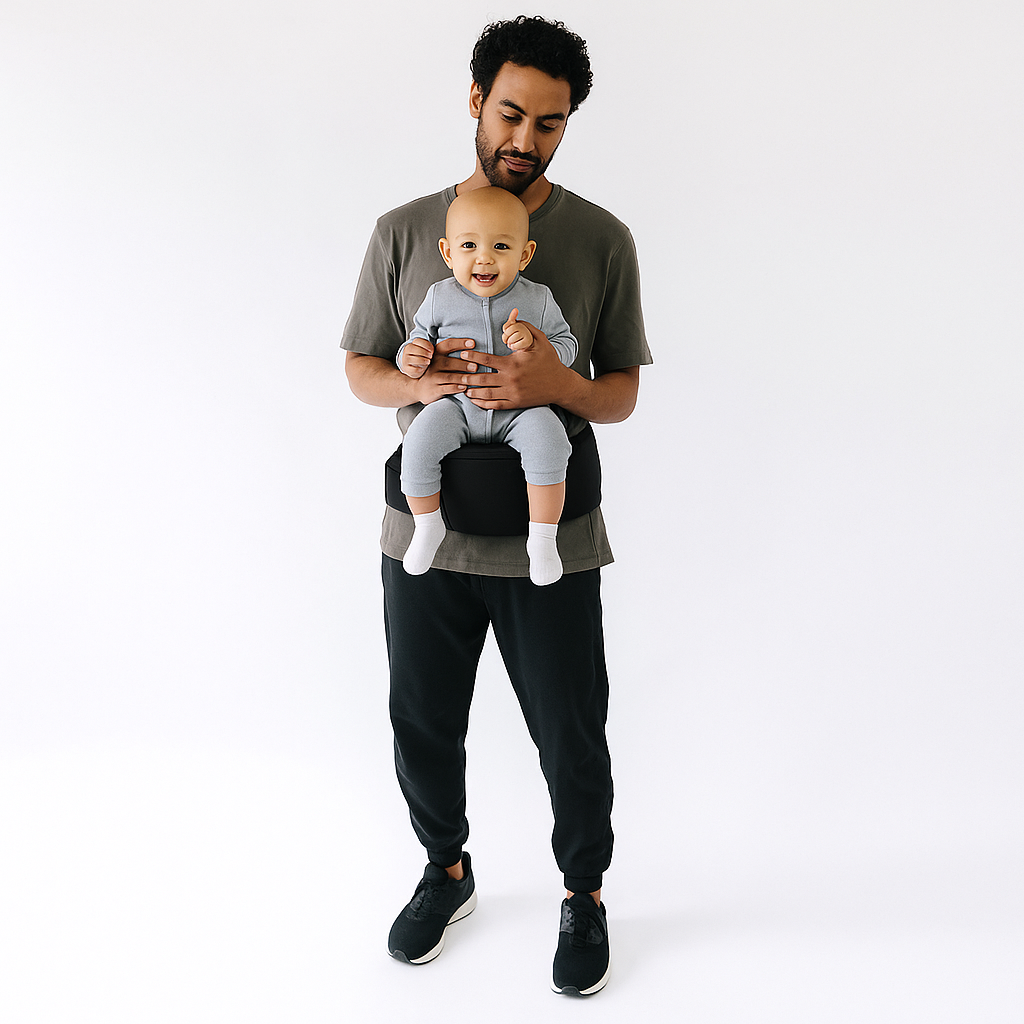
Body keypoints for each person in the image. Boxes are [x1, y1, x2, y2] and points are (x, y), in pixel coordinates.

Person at [342, 15, 652, 996]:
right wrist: (422, 383)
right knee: (421, 718)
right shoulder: (405, 232)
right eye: (511, 114)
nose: (526, 138)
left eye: (549, 124)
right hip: (425, 536)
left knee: (571, 727)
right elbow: (360, 369)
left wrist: (553, 384)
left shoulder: (601, 240)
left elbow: (620, 393)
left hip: (549, 536)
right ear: (476, 101)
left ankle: (584, 891)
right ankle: (446, 869)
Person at [397, 186, 577, 586]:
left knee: (550, 440)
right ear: (447, 253)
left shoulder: (538, 299)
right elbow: (416, 339)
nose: (484, 257)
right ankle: (427, 525)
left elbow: (567, 345)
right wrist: (411, 356)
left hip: (522, 408)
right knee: (418, 441)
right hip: (457, 405)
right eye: (469, 245)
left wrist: (537, 345)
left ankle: (542, 539)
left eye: (500, 246)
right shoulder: (438, 296)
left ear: (524, 255)